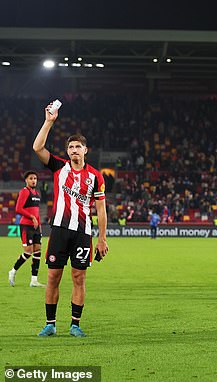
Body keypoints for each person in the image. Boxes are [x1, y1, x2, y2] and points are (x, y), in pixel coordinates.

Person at [33, 102, 109, 337]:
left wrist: (102, 239)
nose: (75, 150)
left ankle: (75, 324)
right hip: (59, 230)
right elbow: (37, 147)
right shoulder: (59, 167)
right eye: (71, 147)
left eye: (79, 146)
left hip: (82, 232)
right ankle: (50, 324)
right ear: (68, 151)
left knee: (79, 277)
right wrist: (49, 122)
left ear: (86, 150)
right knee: (53, 276)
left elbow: (101, 209)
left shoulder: (96, 177)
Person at [8, 171, 44, 287]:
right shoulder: (24, 192)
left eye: (35, 178)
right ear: (26, 180)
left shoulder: (37, 193)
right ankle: (13, 271)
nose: (33, 180)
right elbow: (18, 208)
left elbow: (37, 212)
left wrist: (39, 225)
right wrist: (32, 217)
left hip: (36, 227)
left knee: (38, 251)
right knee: (28, 252)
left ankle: (34, 280)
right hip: (26, 226)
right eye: (31, 178)